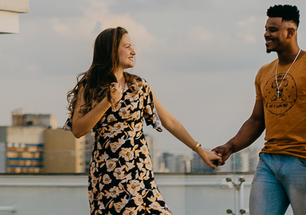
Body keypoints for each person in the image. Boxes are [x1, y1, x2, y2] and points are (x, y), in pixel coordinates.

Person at [68, 26, 221, 215]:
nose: (134, 52)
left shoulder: (139, 85)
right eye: (127, 46)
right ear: (111, 50)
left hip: (141, 171)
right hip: (110, 174)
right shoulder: (90, 85)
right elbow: (78, 129)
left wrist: (200, 151)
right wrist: (107, 102)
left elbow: (169, 121)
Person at [212, 5, 306, 215]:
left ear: (290, 32)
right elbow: (256, 120)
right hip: (269, 163)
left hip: (305, 163)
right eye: (266, 29)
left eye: (272, 29)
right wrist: (230, 146)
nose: (266, 34)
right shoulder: (264, 72)